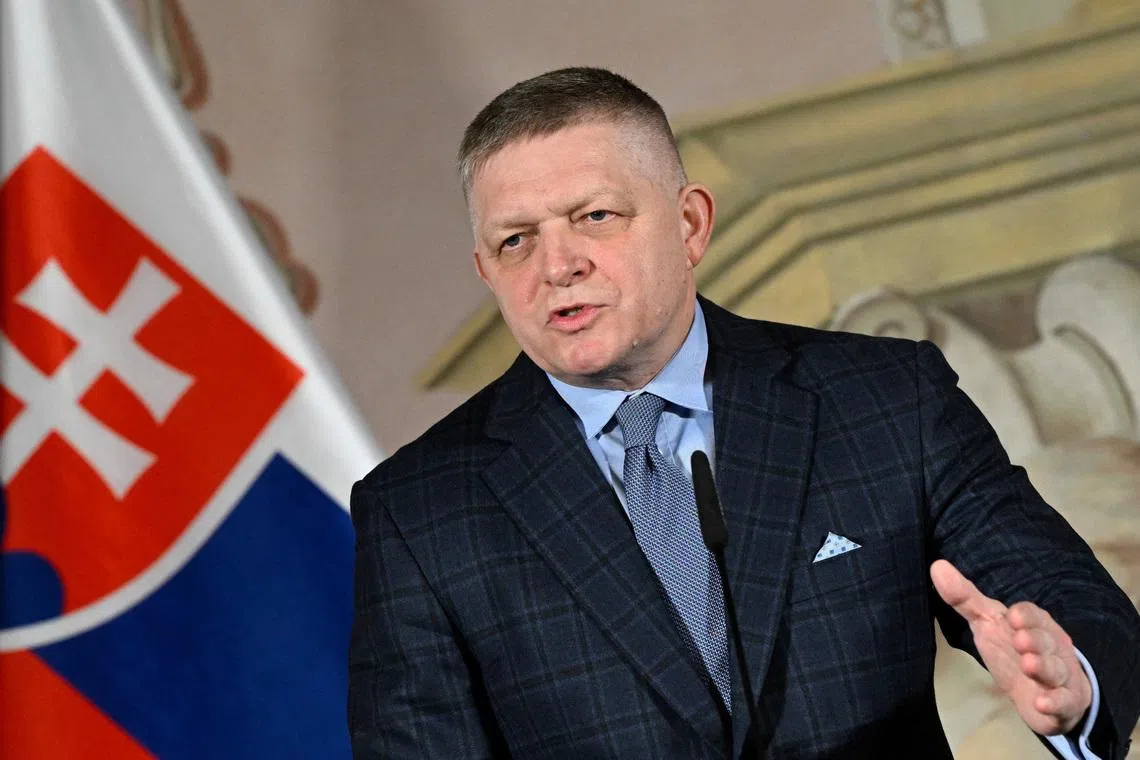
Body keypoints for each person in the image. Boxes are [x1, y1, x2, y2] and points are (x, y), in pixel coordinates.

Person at [348, 67, 1140, 759]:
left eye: (595, 217)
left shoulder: (886, 400)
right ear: (485, 269)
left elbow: (1068, 601)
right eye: (517, 240)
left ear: (690, 223)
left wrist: (1073, 681)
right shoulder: (421, 512)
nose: (558, 266)